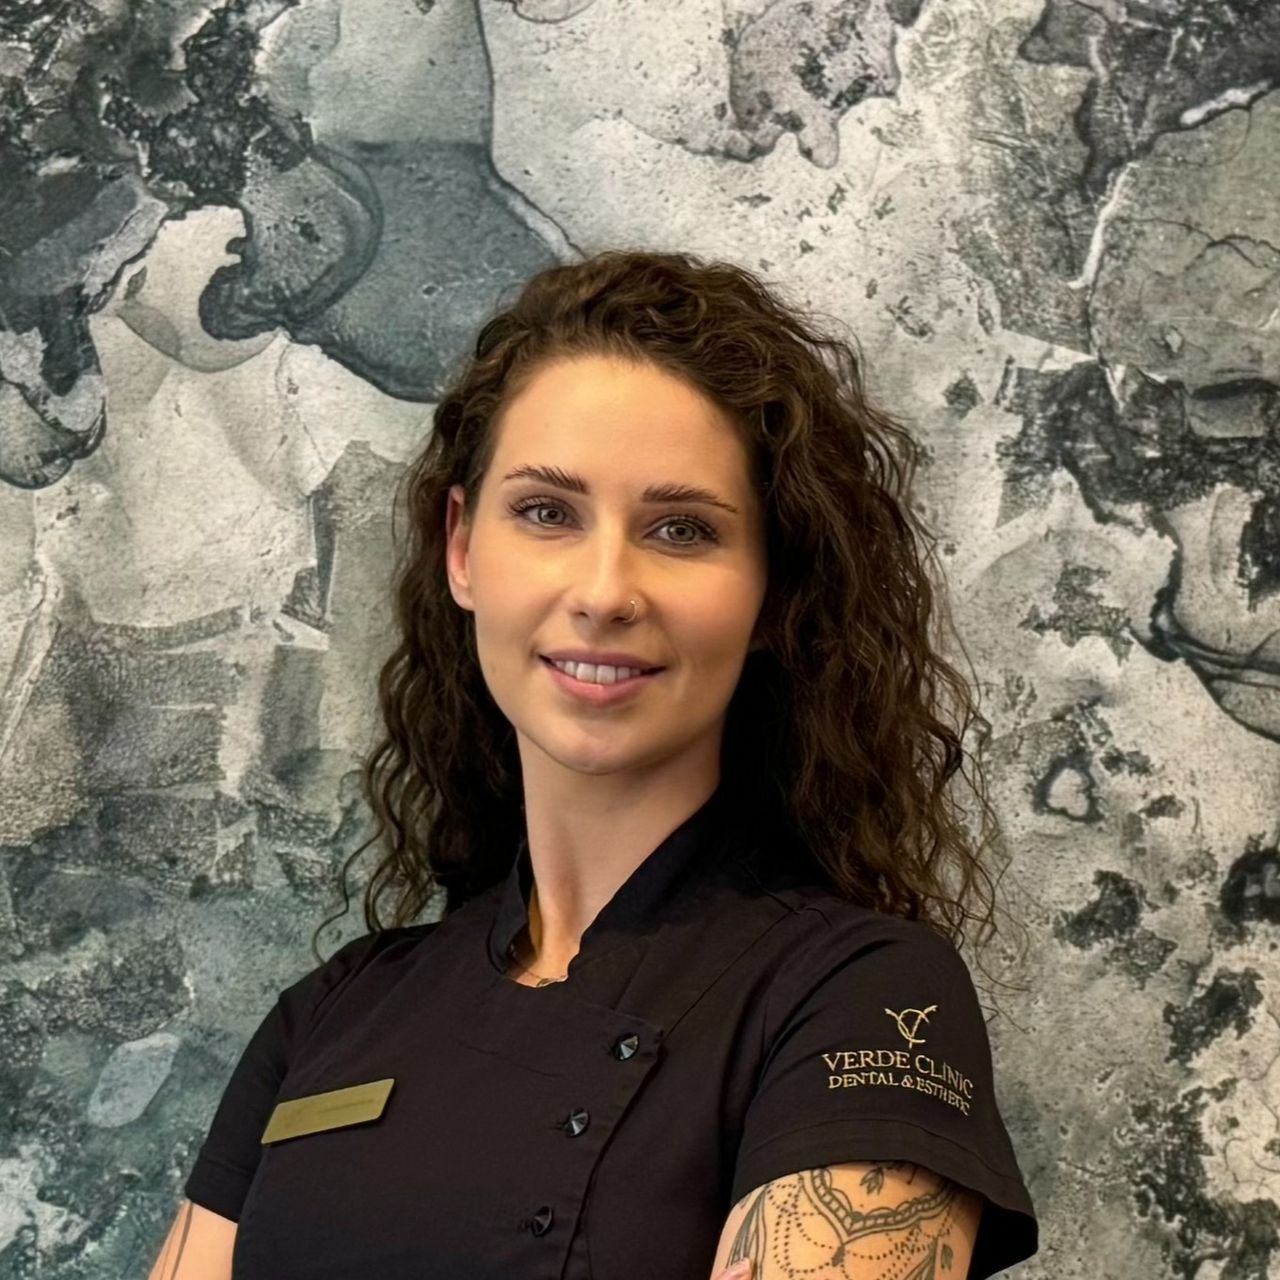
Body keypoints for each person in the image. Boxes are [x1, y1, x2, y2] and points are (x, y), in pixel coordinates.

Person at [150, 249, 1041, 1278]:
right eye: (546, 512)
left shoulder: (858, 997)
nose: (605, 590)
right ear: (462, 549)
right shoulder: (331, 1013)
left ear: (771, 591)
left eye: (681, 529)